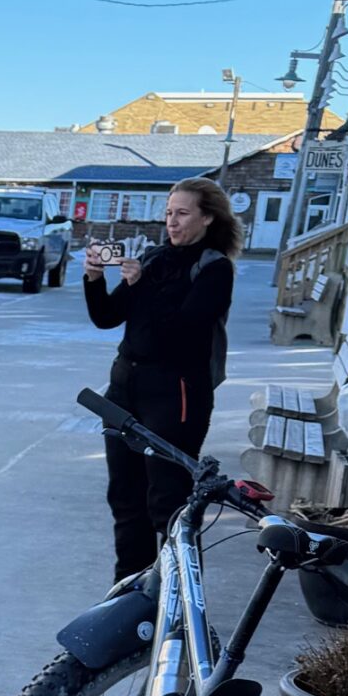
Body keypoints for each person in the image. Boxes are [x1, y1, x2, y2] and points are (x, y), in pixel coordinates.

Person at [82, 178, 240, 580]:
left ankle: (178, 592)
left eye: (183, 213)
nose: (172, 221)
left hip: (176, 392)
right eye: (169, 213)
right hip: (124, 388)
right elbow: (106, 317)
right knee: (124, 496)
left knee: (167, 501)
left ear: (207, 218)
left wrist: (143, 286)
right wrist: (95, 279)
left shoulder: (215, 269)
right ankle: (131, 589)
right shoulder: (153, 258)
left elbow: (181, 332)